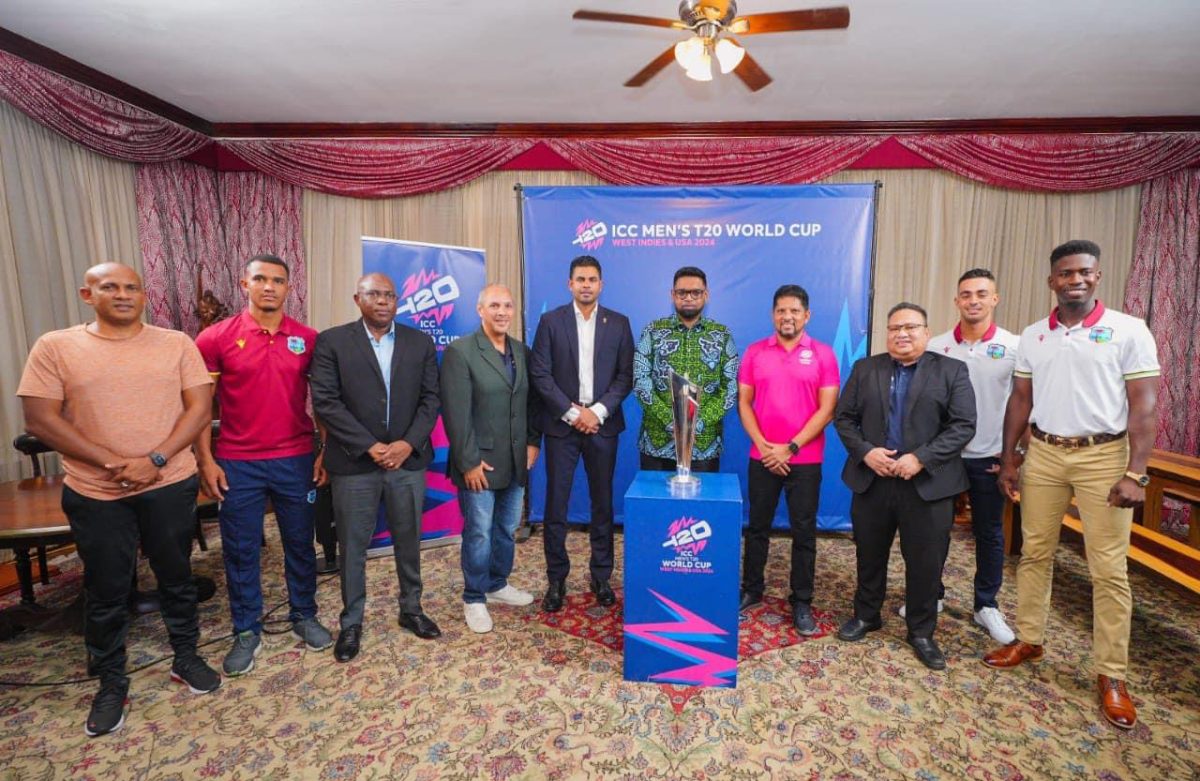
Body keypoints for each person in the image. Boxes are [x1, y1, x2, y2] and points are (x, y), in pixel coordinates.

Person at [18, 263, 220, 737]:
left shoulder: (175, 343)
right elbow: (40, 419)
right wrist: (111, 462)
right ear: (88, 293)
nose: (123, 294)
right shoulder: (56, 346)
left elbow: (199, 409)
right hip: (96, 491)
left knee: (177, 576)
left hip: (169, 482)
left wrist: (155, 459)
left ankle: (186, 656)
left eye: (132, 287)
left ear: (143, 295)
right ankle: (111, 681)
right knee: (106, 591)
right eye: (111, 287)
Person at [983, 240, 1159, 730]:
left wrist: (1136, 473)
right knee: (1035, 552)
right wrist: (1009, 457)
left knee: (1108, 568)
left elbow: (1144, 406)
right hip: (1044, 453)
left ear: (1097, 276)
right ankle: (1031, 638)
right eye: (1065, 274)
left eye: (1084, 272)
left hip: (1104, 456)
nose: (1075, 280)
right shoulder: (1035, 336)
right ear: (1052, 281)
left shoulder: (1128, 330)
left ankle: (1112, 675)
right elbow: (1020, 399)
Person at [194, 254, 333, 677]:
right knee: (239, 549)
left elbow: (322, 401)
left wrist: (324, 449)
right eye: (260, 279)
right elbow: (199, 408)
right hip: (238, 462)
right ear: (245, 284)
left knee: (298, 542)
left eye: (278, 280)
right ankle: (245, 630)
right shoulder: (215, 338)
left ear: (290, 288)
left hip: (295, 458)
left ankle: (304, 614)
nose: (269, 286)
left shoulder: (309, 339)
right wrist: (206, 460)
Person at [833, 302, 976, 670]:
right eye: (895, 327)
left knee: (926, 562)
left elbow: (963, 425)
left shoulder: (952, 371)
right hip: (873, 481)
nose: (903, 334)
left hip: (926, 485)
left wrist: (921, 458)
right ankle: (867, 615)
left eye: (911, 327)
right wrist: (866, 453)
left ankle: (921, 631)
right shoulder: (866, 369)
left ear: (927, 333)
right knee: (870, 553)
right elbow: (844, 418)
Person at [310, 273, 442, 662]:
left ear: (397, 300)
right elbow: (326, 402)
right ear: (357, 299)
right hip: (354, 464)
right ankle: (352, 622)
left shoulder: (419, 342)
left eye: (389, 295)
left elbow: (430, 400)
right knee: (352, 545)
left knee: (409, 539)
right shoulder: (332, 342)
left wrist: (405, 444)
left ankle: (412, 609)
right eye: (373, 294)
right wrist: (370, 446)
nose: (382, 301)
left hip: (408, 460)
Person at [530, 255, 634, 612]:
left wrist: (598, 412)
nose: (586, 285)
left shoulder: (619, 323)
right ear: (569, 284)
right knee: (556, 505)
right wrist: (576, 414)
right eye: (580, 279)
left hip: (603, 426)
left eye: (592, 279)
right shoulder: (550, 321)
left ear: (601, 284)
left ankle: (601, 576)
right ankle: (556, 579)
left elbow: (626, 377)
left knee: (602, 504)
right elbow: (540, 375)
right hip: (563, 425)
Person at [736, 284, 839, 635]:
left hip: (805, 459)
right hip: (762, 456)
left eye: (794, 311)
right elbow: (744, 404)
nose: (787, 316)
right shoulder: (754, 353)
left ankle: (802, 601)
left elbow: (827, 410)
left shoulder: (823, 355)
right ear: (772, 315)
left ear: (806, 315)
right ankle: (751, 589)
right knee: (757, 527)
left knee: (804, 532)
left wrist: (790, 448)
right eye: (781, 310)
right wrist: (766, 447)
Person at [440, 284, 542, 633]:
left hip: (515, 460)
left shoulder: (521, 351)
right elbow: (456, 412)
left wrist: (532, 442)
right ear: (480, 309)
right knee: (479, 532)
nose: (502, 312)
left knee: (506, 528)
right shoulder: (461, 352)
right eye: (494, 305)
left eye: (508, 306)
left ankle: (497, 584)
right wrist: (468, 461)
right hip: (479, 462)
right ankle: (474, 597)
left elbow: (531, 403)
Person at [924, 269, 1019, 644]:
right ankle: (931, 595)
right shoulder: (938, 346)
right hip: (945, 456)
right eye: (966, 295)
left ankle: (986, 605)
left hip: (990, 455)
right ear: (956, 301)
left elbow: (1025, 403)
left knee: (989, 532)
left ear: (994, 298)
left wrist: (1014, 456)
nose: (973, 301)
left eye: (981, 294)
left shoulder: (1014, 346)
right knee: (934, 531)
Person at [632, 266, 738, 473]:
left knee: (700, 505)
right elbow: (640, 381)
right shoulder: (653, 331)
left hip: (703, 445)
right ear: (673, 295)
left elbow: (730, 388)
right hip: (658, 443)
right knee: (656, 504)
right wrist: (673, 422)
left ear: (705, 296)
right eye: (682, 292)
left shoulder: (722, 335)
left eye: (695, 292)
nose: (688, 298)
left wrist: (695, 424)